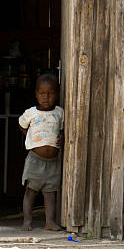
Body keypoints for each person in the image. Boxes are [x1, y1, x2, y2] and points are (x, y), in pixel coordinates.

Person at [18, 73, 64, 231]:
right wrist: (31, 137)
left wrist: (62, 137)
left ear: (56, 95)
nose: (46, 97)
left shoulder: (59, 113)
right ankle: (27, 221)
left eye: (50, 94)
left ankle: (49, 222)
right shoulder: (31, 113)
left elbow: (63, 130)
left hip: (53, 161)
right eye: (42, 93)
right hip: (35, 159)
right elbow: (22, 125)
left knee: (50, 193)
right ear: (36, 94)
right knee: (31, 191)